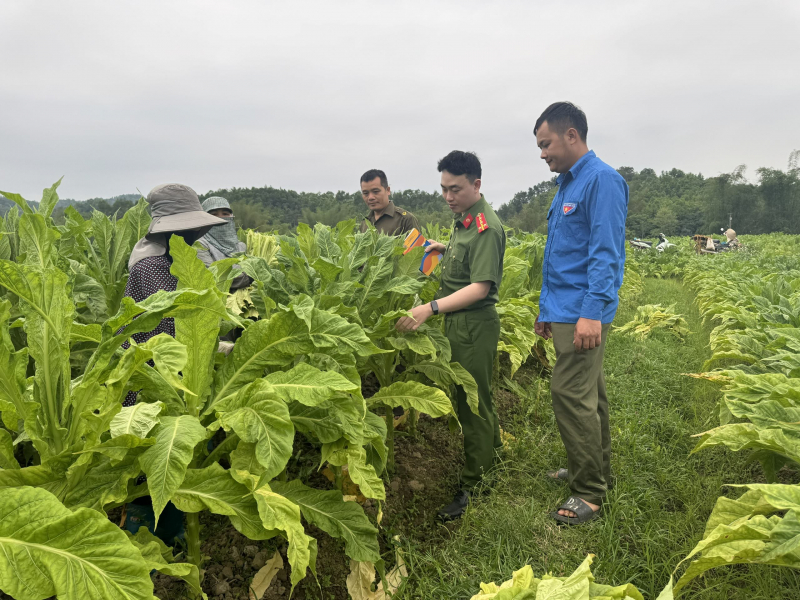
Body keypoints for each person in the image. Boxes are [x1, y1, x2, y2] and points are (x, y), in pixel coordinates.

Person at [395, 151, 505, 521]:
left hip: (473, 324)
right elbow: (467, 260)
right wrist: (446, 249)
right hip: (460, 325)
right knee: (472, 397)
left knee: (472, 404)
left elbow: (480, 287)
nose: (448, 196)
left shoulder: (486, 227)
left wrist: (431, 308)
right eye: (443, 188)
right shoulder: (464, 223)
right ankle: (494, 459)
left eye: (455, 189)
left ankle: (476, 484)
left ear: (476, 184)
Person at [533, 102, 628, 525]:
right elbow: (560, 258)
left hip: (583, 312)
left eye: (546, 143)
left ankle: (589, 493)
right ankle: (593, 470)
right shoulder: (566, 186)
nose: (542, 153)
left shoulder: (602, 181)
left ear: (572, 135)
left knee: (569, 394)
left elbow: (606, 254)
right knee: (590, 393)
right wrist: (545, 311)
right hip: (564, 310)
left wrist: (591, 313)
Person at [121, 183, 226, 544]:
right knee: (158, 459)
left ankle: (176, 523)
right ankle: (148, 539)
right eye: (191, 228)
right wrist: (224, 347)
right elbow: (173, 334)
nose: (198, 234)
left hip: (173, 377)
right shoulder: (151, 267)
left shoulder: (170, 257)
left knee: (176, 454)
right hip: (153, 380)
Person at [196, 196, 251, 290]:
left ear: (232, 217)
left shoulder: (241, 246)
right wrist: (249, 278)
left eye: (225, 214)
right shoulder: (200, 245)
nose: (220, 218)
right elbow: (213, 277)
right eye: (214, 214)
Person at [359, 169, 420, 235]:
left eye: (376, 191)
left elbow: (418, 245)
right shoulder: (365, 222)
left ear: (388, 190)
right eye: (365, 193)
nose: (370, 197)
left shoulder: (405, 219)